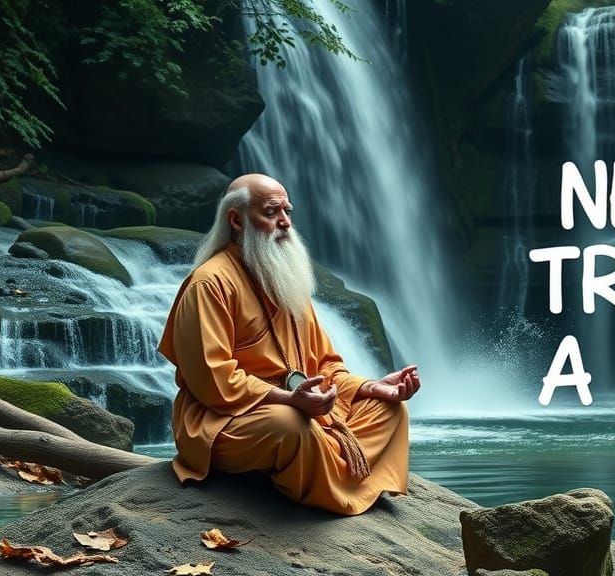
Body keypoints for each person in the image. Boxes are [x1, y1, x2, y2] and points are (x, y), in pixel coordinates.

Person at [158, 173, 421, 515]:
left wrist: (370, 387)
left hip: (300, 406)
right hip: (225, 420)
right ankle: (327, 478)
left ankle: (324, 473)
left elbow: (325, 365)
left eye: (287, 211)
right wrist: (289, 399)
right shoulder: (209, 284)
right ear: (236, 220)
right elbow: (212, 380)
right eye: (271, 212)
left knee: (390, 410)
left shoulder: (285, 279)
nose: (284, 222)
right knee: (290, 426)